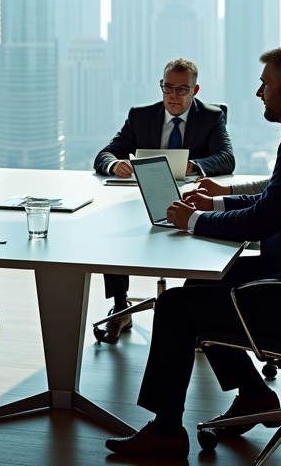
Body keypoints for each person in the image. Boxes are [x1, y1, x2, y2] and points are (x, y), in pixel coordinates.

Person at [104, 46, 281, 458]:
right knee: (202, 279)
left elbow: (261, 221)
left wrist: (192, 221)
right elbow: (280, 202)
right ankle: (253, 395)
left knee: (176, 306)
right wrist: (210, 206)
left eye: (264, 85)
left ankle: (165, 434)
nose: (257, 93)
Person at [92, 57, 235, 344]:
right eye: (167, 87)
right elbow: (105, 154)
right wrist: (114, 165)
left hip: (190, 198)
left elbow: (226, 158)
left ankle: (196, 314)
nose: (173, 95)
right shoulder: (141, 115)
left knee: (205, 235)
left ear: (195, 90)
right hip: (142, 197)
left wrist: (192, 166)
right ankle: (121, 306)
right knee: (113, 230)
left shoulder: (211, 116)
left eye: (181, 89)